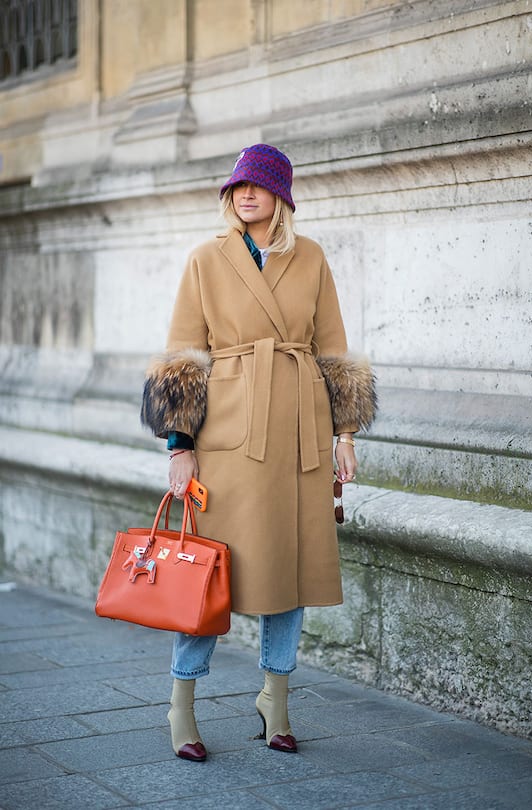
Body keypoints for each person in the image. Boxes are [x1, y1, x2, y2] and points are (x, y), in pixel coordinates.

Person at [141, 143, 376, 762]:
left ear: (281, 197)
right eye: (237, 186)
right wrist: (180, 445)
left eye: (258, 185)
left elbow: (334, 352)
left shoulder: (312, 258)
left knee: (288, 571)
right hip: (228, 438)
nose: (244, 194)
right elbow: (184, 356)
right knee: (207, 572)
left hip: (299, 435)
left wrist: (344, 434)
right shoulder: (205, 259)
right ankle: (182, 707)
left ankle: (276, 699)